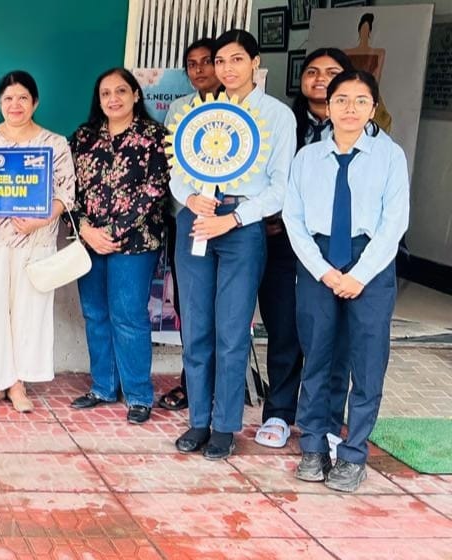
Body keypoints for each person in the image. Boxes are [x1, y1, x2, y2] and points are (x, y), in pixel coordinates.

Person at [171, 29, 295, 460]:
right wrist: (189, 198)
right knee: (197, 325)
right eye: (220, 61)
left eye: (236, 59)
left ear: (255, 64)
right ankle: (198, 422)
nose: (226, 68)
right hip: (196, 220)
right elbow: (177, 170)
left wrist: (235, 218)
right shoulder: (195, 111)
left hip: (242, 225)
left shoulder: (277, 116)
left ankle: (225, 426)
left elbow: (280, 187)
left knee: (231, 329)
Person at [284, 70, 408, 492]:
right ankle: (314, 445)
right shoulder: (307, 158)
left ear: (373, 107)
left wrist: (359, 275)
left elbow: (394, 224)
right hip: (318, 261)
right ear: (328, 106)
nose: (349, 108)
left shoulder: (389, 157)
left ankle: (354, 453)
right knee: (317, 357)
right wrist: (322, 270)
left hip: (369, 263)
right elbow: (292, 219)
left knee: (367, 361)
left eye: (359, 100)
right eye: (341, 100)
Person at [254, 48, 355, 450]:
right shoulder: (282, 123)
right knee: (284, 329)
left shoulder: (361, 130)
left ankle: (327, 420)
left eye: (331, 72)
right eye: (312, 71)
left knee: (332, 337)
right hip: (282, 243)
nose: (319, 78)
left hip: (336, 250)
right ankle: (279, 413)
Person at [0, 70, 77, 412]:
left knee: (30, 310)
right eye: (8, 99)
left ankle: (18, 385)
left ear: (35, 102)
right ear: (0, 103)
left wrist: (42, 218)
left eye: (23, 98)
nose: (15, 105)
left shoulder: (54, 144)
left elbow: (66, 194)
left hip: (36, 239)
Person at [69, 68, 170, 424]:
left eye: (121, 91)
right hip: (89, 240)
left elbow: (154, 191)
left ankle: (139, 395)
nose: (113, 99)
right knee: (95, 313)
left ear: (135, 95)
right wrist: (86, 228)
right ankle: (103, 387)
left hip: (136, 242)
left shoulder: (154, 136)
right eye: (106, 93)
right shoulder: (82, 138)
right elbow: (68, 190)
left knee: (128, 316)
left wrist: (112, 232)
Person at [158, 37, 221, 412]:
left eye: (207, 62)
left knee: (226, 308)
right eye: (192, 64)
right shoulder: (180, 111)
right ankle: (191, 384)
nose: (200, 70)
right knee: (190, 305)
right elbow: (172, 166)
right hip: (185, 218)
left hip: (229, 222)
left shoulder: (240, 112)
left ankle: (222, 388)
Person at [343, 14, 393, 131]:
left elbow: (376, 79)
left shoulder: (379, 53)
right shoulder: (347, 52)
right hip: (349, 92)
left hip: (369, 92)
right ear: (359, 31)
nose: (364, 33)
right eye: (362, 29)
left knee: (381, 120)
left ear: (370, 32)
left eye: (367, 30)